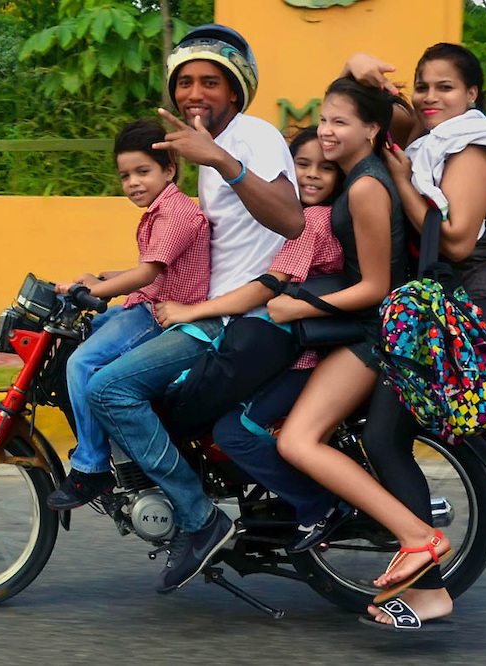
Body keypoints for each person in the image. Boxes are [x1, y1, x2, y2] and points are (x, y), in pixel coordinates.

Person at [84, 24, 306, 595]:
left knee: (110, 389)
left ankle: (199, 519)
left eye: (211, 82)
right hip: (208, 309)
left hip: (230, 319)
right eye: (185, 83)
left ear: (235, 92)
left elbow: (290, 218)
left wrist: (220, 157)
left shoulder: (250, 137)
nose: (195, 93)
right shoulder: (199, 156)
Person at [259, 76, 459, 616]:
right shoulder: (356, 178)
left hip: (374, 335)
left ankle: (417, 537)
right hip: (365, 329)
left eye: (341, 121)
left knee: (298, 441)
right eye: (324, 119)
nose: (326, 130)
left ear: (372, 129)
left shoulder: (367, 187)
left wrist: (299, 306)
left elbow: (375, 286)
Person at [352, 43, 486, 630]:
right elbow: (385, 115)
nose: (430, 97)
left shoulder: (474, 150)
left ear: (472, 94)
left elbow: (455, 240)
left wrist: (403, 183)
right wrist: (362, 69)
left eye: (445, 87)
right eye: (424, 85)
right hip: (440, 311)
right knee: (380, 434)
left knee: (385, 435)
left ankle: (429, 585)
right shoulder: (437, 140)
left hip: (470, 307)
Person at [156, 126, 350, 552]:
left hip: (304, 358)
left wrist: (191, 311)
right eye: (303, 165)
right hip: (298, 350)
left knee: (234, 432)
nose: (313, 175)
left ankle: (317, 504)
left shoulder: (311, 223)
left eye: (326, 168)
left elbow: (267, 286)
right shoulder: (291, 217)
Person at [45, 119, 211, 511]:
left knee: (83, 363)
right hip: (146, 303)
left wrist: (93, 292)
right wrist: (101, 277)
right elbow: (151, 270)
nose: (133, 182)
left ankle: (91, 465)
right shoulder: (161, 211)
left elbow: (149, 273)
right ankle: (103, 443)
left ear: (169, 169)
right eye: (125, 176)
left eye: (143, 171)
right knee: (74, 340)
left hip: (160, 316)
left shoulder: (176, 215)